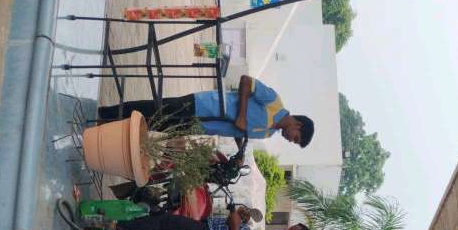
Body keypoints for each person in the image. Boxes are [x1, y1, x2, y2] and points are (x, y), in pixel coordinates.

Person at [98, 75, 315, 148]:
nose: (290, 140)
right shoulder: (274, 102)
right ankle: (105, 114)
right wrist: (241, 116)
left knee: (155, 125)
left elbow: (239, 129)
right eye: (295, 138)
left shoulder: (268, 133)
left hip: (202, 127)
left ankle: (109, 127)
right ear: (298, 124)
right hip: (204, 105)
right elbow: (246, 81)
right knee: (155, 109)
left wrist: (240, 149)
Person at [115, 205, 314, 230]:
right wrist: (241, 220)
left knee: (164, 224)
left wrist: (234, 226)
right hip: (207, 229)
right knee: (162, 226)